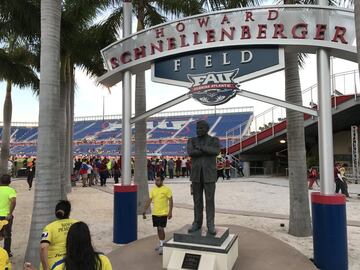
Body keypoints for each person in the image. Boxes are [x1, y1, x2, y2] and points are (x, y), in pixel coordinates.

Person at [24, 221, 112, 270]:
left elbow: (43, 247)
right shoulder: (103, 260)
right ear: (88, 240)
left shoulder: (60, 267)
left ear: (68, 243)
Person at [187, 120, 221, 235]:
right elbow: (191, 152)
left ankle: (210, 224)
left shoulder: (214, 140)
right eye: (197, 128)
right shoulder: (191, 140)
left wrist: (200, 148)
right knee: (197, 201)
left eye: (200, 128)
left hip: (209, 175)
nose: (198, 130)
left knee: (210, 200)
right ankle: (197, 222)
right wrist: (206, 150)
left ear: (206, 129)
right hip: (196, 175)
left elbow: (215, 151)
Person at [40, 200, 78, 270]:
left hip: (54, 265)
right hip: (73, 263)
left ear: (56, 212)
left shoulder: (49, 227)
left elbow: (43, 247)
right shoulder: (77, 224)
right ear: (69, 212)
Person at [142, 176, 173, 255]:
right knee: (158, 229)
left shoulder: (167, 189)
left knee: (160, 228)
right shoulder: (153, 189)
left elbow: (171, 201)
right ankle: (161, 242)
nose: (156, 181)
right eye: (156, 180)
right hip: (155, 213)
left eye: (158, 180)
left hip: (163, 213)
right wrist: (144, 210)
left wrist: (170, 212)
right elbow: (149, 200)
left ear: (162, 181)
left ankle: (162, 245)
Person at [0, 174, 16, 257]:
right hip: (6, 216)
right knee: (7, 235)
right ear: (9, 181)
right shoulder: (11, 190)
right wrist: (10, 213)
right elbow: (13, 201)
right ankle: (6, 252)